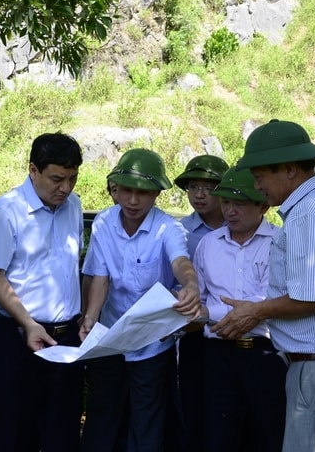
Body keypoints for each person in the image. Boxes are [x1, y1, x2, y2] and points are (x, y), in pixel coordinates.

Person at [213, 119, 315, 452]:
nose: (258, 187)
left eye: (260, 177)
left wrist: (255, 312)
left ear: (288, 169)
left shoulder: (312, 213)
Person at [79, 148, 201, 452]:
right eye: (127, 191)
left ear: (157, 193)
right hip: (108, 337)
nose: (133, 201)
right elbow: (100, 276)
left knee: (147, 419)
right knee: (102, 415)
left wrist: (191, 283)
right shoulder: (104, 223)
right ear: (116, 190)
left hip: (150, 343)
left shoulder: (168, 228)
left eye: (143, 193)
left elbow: (180, 261)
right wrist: (90, 317)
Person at [0, 132, 85, 451]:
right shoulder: (5, 211)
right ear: (33, 170)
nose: (65, 188)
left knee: (62, 432)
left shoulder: (74, 205)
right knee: (12, 434)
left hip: (66, 341)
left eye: (72, 178)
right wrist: (28, 323)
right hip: (15, 338)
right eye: (56, 178)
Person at [193, 167, 286, 452]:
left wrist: (212, 314)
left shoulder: (280, 243)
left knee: (267, 434)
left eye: (240, 203)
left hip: (266, 354)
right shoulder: (209, 245)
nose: (231, 211)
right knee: (219, 434)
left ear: (263, 206)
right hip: (219, 356)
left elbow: (278, 298)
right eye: (226, 203)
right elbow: (199, 298)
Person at [171, 154, 229, 451]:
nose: (200, 194)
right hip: (194, 330)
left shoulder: (240, 223)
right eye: (193, 187)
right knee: (193, 406)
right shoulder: (182, 231)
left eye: (208, 187)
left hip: (234, 330)